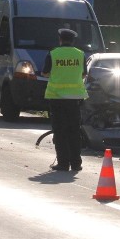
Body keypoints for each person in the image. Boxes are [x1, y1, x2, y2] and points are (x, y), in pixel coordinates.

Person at [42, 28, 88, 171]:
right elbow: (83, 74)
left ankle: (63, 163)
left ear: (60, 40)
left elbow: (44, 73)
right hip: (75, 99)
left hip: (57, 98)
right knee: (74, 131)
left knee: (60, 131)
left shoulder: (53, 54)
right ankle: (76, 163)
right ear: (73, 41)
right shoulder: (80, 54)